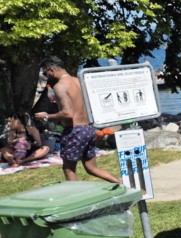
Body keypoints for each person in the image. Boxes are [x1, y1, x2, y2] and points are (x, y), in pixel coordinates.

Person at [34, 56, 121, 184]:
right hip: (88, 129)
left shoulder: (60, 86)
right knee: (91, 168)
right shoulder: (79, 81)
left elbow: (67, 114)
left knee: (68, 169)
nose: (46, 76)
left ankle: (76, 196)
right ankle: (122, 184)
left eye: (45, 73)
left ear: (52, 70)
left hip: (74, 131)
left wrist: (46, 116)